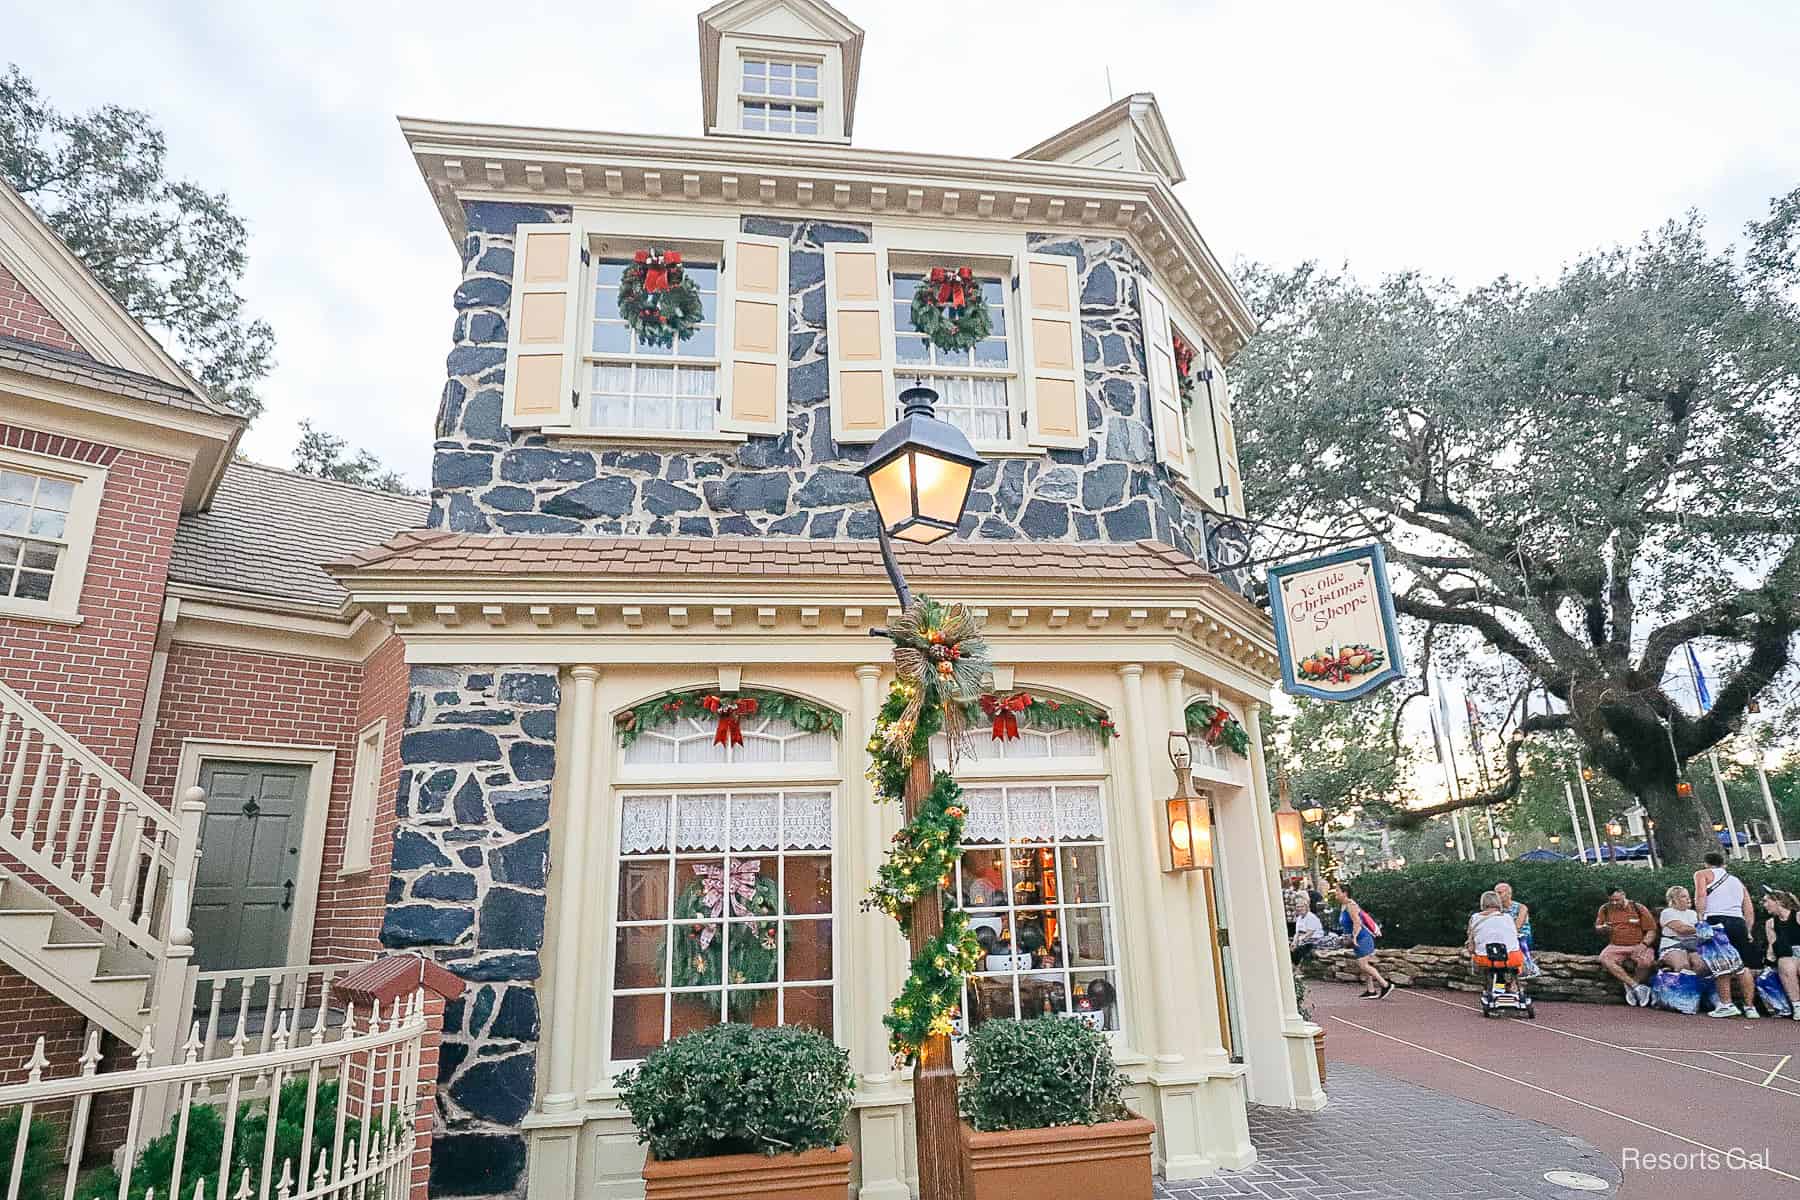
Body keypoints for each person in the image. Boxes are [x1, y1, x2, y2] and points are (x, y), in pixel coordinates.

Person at [1693, 851, 1760, 1018]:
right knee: (1742, 966)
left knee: (1721, 964)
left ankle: (1726, 1003)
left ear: (1706, 863)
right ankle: (1750, 1007)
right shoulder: (1737, 881)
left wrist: (1701, 919)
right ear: (1723, 864)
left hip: (1716, 920)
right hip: (1738, 922)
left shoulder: (1702, 874)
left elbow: (1701, 895)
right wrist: (1748, 930)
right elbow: (1749, 908)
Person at [1593, 884, 1656, 1006]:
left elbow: (1651, 930)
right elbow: (1597, 927)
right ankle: (1637, 987)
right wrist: (1603, 928)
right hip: (1616, 945)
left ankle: (1632, 987)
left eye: (1617, 900)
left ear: (1623, 894)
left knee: (1646, 962)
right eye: (1611, 900)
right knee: (1604, 958)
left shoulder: (1638, 908)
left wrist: (1643, 944)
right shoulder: (1605, 909)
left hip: (1638, 944)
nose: (1615, 903)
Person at [1334, 881, 1393, 999]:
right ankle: (1370, 990)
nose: (1335, 893)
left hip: (1363, 938)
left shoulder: (1351, 905)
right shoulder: (1344, 905)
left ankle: (1385, 984)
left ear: (1345, 893)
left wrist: (1354, 937)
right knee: (1363, 964)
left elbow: (1357, 922)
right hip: (1356, 939)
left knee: (1363, 964)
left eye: (1337, 891)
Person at [1760, 888, 1800, 1020]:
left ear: (1778, 901)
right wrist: (1768, 964)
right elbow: (1772, 945)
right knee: (1785, 963)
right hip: (1787, 957)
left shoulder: (1798, 916)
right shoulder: (1770, 923)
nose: (1764, 904)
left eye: (1766, 901)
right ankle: (1797, 1007)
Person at [1657, 884, 1708, 975]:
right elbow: (1682, 929)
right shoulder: (1667, 912)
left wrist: (1701, 920)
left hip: (1692, 944)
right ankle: (1680, 987)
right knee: (1683, 966)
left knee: (1701, 965)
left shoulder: (1692, 913)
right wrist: (1704, 928)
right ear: (1674, 900)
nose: (1689, 899)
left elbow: (1699, 928)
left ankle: (1694, 987)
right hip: (1673, 944)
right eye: (1684, 896)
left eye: (1688, 896)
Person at [1468, 890, 1523, 971]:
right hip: (1511, 958)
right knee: (1517, 959)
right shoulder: (1508, 917)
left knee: (1481, 963)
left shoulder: (1475, 918)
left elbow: (1471, 943)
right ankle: (1513, 981)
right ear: (1498, 902)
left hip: (1485, 959)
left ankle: (1489, 981)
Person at [1495, 881, 1537, 977]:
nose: (1497, 896)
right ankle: (1500, 984)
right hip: (1505, 939)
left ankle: (1529, 967)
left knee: (1519, 941)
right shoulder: (1496, 910)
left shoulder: (1521, 908)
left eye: (1500, 893)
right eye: (1495, 893)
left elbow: (1517, 927)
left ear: (1509, 894)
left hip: (1522, 938)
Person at [1291, 895, 1326, 966]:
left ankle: (1298, 968)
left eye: (1302, 906)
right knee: (1290, 947)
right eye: (1298, 907)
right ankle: (1294, 967)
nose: (1300, 908)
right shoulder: (1299, 918)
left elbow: (1309, 934)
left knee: (1299, 950)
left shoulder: (1311, 917)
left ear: (1306, 907)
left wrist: (1298, 942)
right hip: (1304, 940)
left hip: (1315, 940)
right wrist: (1294, 942)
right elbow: (1297, 933)